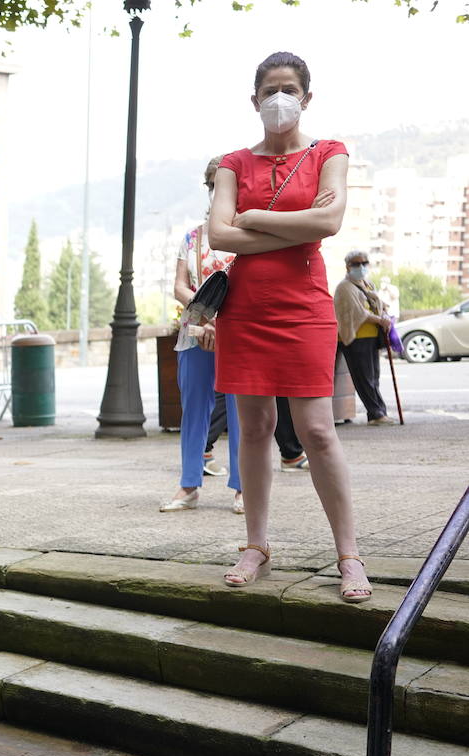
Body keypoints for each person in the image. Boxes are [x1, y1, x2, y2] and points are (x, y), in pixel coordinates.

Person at [209, 51, 372, 603]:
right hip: (246, 310)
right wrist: (292, 228)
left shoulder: (330, 152)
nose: (279, 99)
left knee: (318, 431)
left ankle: (349, 555)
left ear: (306, 96)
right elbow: (219, 236)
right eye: (269, 90)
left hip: (304, 307)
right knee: (252, 430)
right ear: (254, 100)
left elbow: (329, 221)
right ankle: (256, 544)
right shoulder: (233, 163)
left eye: (289, 89)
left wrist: (252, 218)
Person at [163, 157, 244, 515]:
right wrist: (205, 317)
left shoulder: (248, 235)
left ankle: (245, 488)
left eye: (225, 183)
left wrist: (222, 322)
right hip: (195, 331)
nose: (218, 190)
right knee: (194, 408)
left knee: (244, 411)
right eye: (213, 184)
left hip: (239, 332)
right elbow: (180, 285)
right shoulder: (193, 238)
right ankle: (189, 484)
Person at [334, 249, 395, 425]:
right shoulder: (345, 287)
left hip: (371, 336)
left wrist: (383, 313)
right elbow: (357, 313)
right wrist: (379, 319)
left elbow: (377, 304)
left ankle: (378, 412)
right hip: (355, 337)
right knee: (364, 378)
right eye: (356, 264)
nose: (361, 267)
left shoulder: (367, 283)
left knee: (374, 377)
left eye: (364, 263)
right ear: (348, 267)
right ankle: (376, 414)